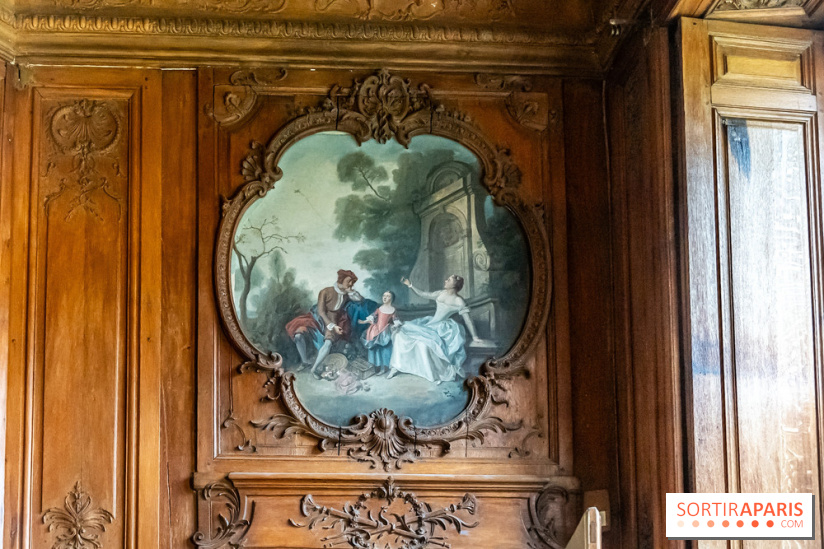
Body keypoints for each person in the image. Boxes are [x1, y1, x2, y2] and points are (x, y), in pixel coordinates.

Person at [387, 274, 488, 384]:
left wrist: (475, 336)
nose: (445, 280)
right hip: (430, 324)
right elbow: (424, 294)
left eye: (448, 280)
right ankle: (397, 366)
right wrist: (410, 285)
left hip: (443, 329)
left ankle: (434, 374)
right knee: (400, 335)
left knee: (425, 345)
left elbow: (468, 320)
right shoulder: (441, 293)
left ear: (454, 284)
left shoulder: (459, 301)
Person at [285, 269, 364, 378]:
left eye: (352, 282)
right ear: (341, 280)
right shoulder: (325, 291)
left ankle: (314, 369)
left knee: (328, 343)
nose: (351, 284)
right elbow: (321, 312)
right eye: (349, 281)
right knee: (298, 335)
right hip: (317, 318)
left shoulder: (346, 294)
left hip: (335, 319)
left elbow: (360, 300)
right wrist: (332, 326)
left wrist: (351, 291)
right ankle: (304, 361)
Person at [359, 291, 400, 373]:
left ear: (392, 298)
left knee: (385, 349)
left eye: (388, 296)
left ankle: (385, 368)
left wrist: (396, 325)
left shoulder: (393, 310)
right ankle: (376, 368)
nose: (385, 297)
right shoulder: (379, 309)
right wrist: (364, 321)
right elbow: (372, 317)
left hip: (385, 332)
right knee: (375, 349)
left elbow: (396, 320)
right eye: (384, 295)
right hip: (375, 330)